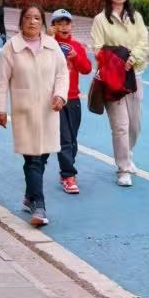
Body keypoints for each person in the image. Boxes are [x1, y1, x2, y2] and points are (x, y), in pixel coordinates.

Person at [0, 3, 69, 228]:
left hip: (48, 111)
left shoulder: (52, 46)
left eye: (37, 18)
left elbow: (62, 73)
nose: (33, 21)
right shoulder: (10, 49)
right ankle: (39, 205)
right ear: (21, 21)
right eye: (28, 17)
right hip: (24, 111)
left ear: (43, 23)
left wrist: (60, 95)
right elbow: (1, 82)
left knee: (42, 157)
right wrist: (0, 109)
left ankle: (29, 195)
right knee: (32, 159)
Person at [90, 0, 149, 187]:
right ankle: (123, 168)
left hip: (135, 76)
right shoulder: (100, 20)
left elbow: (144, 42)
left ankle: (128, 152)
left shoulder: (136, 17)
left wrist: (133, 58)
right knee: (121, 126)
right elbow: (97, 49)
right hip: (112, 79)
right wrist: (118, 61)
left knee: (135, 125)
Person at [48, 10, 92, 194]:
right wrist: (49, 41)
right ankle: (68, 175)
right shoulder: (48, 46)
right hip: (57, 100)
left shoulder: (77, 46)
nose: (64, 27)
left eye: (67, 23)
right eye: (59, 23)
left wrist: (76, 56)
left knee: (72, 140)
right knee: (64, 139)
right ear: (53, 27)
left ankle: (66, 171)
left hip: (74, 99)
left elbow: (87, 69)